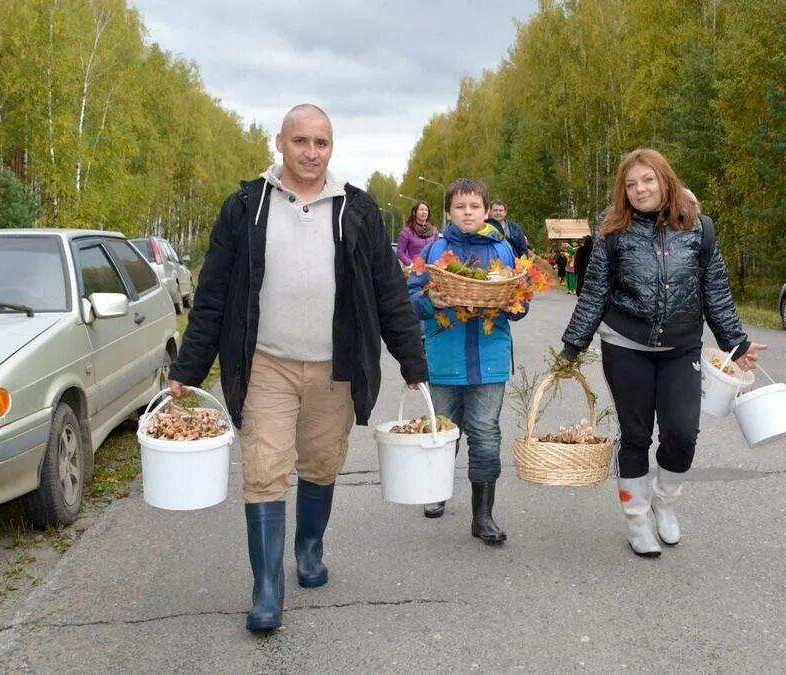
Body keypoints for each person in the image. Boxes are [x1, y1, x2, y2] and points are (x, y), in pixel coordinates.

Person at [166, 104, 429, 632]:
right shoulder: (245, 207)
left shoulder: (357, 210)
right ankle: (268, 589)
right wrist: (189, 369)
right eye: (302, 141)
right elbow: (213, 292)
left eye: (322, 143)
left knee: (320, 464)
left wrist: (412, 361)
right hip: (265, 365)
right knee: (264, 470)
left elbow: (389, 292)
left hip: (337, 366)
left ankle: (309, 550)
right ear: (280, 143)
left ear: (332, 148)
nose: (312, 152)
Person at [559, 148, 767, 558]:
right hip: (625, 345)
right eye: (631, 184)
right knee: (635, 435)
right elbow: (595, 291)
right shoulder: (612, 232)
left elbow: (716, 291)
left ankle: (664, 502)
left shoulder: (699, 229)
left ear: (665, 180)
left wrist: (736, 343)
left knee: (681, 434)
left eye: (648, 180)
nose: (640, 190)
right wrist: (572, 346)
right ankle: (636, 519)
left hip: (681, 346)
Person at [407, 178, 528, 542]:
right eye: (460, 207)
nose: (468, 212)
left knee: (486, 433)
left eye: (475, 206)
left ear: (487, 210)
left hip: (490, 357)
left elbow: (521, 300)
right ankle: (437, 490)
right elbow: (412, 298)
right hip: (444, 358)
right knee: (444, 433)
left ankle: (483, 517)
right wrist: (431, 303)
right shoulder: (433, 251)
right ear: (447, 212)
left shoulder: (504, 250)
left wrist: (513, 305)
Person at [395, 200, 439, 265]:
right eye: (421, 210)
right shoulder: (407, 231)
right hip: (414, 270)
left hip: (431, 269)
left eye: (426, 210)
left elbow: (437, 249)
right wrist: (411, 264)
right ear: (414, 212)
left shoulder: (434, 230)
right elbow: (400, 252)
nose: (424, 212)